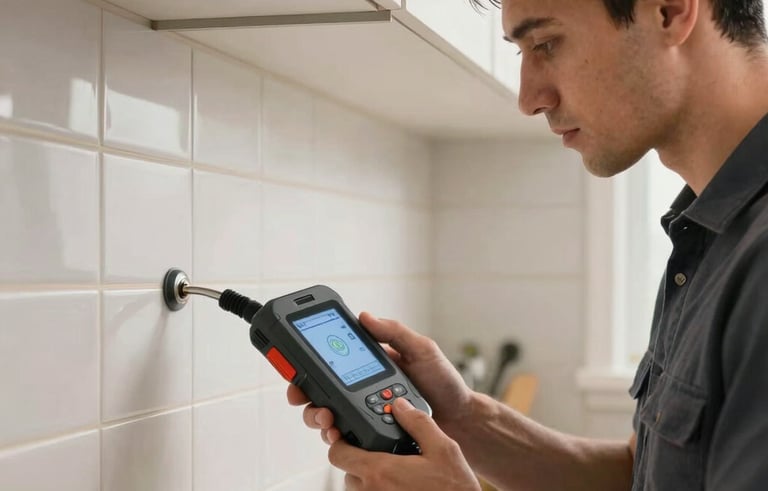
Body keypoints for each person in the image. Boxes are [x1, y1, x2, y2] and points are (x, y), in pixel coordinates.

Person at [288, 0, 768, 488]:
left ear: (669, 10)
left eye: (546, 43)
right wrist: (463, 418)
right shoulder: (707, 233)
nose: (528, 99)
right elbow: (636, 474)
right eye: (523, 52)